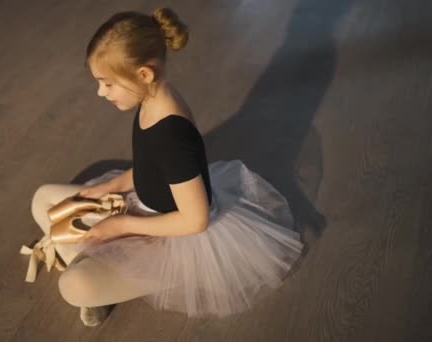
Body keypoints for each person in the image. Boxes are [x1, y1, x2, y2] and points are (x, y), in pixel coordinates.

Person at [30, 8, 303, 327]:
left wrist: (120, 226)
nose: (101, 92)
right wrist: (111, 186)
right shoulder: (151, 98)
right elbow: (149, 168)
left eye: (107, 83)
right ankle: (100, 268)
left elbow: (196, 220)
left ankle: (140, 279)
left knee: (74, 286)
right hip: (141, 206)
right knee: (43, 199)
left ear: (144, 74)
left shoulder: (171, 135)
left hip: (172, 236)